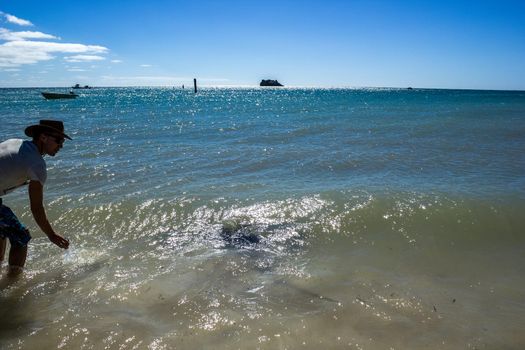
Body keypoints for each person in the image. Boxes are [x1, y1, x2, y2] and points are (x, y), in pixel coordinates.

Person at [0, 120, 71, 276]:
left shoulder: (15, 142)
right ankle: (12, 285)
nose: (61, 146)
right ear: (43, 137)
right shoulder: (37, 164)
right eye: (58, 140)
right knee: (21, 236)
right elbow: (36, 207)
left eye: (62, 142)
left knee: (3, 230)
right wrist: (51, 235)